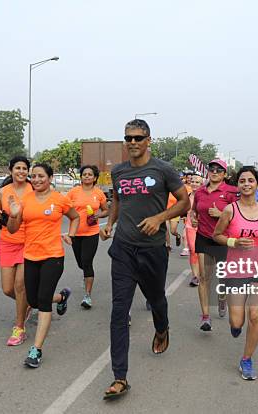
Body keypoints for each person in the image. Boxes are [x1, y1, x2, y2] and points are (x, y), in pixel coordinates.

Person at [100, 119, 189, 399]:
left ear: (149, 140)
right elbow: (117, 201)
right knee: (118, 311)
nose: (133, 142)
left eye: (138, 138)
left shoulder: (163, 170)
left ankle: (162, 328)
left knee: (156, 300)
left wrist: (160, 218)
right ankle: (120, 377)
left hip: (152, 250)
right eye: (128, 138)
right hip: (124, 249)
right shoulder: (119, 172)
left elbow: (185, 201)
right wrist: (110, 224)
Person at [7, 163, 80, 368]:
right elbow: (12, 230)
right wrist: (13, 214)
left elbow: (75, 217)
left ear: (50, 177)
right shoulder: (25, 200)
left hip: (53, 256)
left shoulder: (59, 199)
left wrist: (71, 234)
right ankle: (62, 297)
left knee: (43, 302)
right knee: (33, 300)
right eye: (34, 176)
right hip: (30, 256)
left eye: (41, 176)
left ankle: (36, 349)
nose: (36, 180)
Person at [213, 166, 258, 380]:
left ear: (257, 184)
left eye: (250, 180)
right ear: (238, 185)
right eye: (242, 181)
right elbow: (217, 235)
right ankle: (235, 327)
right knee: (237, 321)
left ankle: (246, 359)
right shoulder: (229, 211)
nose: (246, 184)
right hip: (236, 270)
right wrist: (233, 241)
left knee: (255, 315)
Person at [192, 159, 238, 330]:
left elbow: (239, 215)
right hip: (203, 237)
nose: (215, 172)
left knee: (223, 279)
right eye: (212, 169)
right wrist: (193, 217)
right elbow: (195, 210)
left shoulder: (231, 192)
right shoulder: (200, 192)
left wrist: (221, 214)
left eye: (219, 170)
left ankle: (222, 298)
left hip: (223, 239)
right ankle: (205, 317)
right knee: (204, 278)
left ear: (225, 174)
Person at [0, 156, 34, 346]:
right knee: (8, 289)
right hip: (8, 242)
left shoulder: (34, 190)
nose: (21, 172)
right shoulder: (2, 192)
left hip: (28, 241)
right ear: (11, 170)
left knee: (20, 286)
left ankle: (19, 328)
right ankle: (35, 302)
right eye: (18, 168)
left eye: (25, 168)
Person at [66, 164, 109, 309]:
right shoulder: (73, 192)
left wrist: (98, 214)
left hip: (92, 232)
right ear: (81, 176)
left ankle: (87, 296)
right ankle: (86, 277)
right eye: (84, 174)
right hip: (75, 233)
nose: (87, 176)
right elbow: (64, 207)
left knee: (87, 261)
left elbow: (106, 211)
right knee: (81, 263)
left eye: (90, 174)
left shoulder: (99, 193)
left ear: (95, 177)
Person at [186, 173, 203, 286]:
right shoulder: (186, 195)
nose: (194, 184)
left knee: (202, 252)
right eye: (193, 181)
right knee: (193, 250)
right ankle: (195, 276)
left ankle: (202, 274)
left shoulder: (205, 196)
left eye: (197, 182)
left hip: (203, 227)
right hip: (190, 226)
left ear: (202, 184)